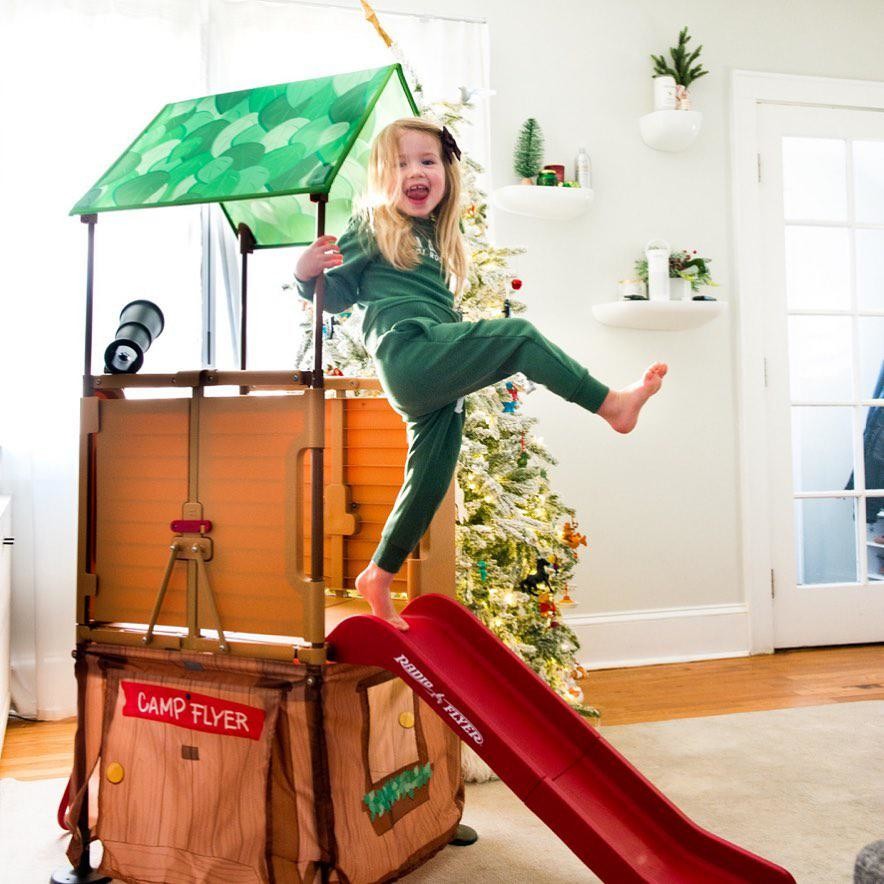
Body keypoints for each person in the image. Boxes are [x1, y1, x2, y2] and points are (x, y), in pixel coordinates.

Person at [294, 118, 667, 631]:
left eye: (427, 161)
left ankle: (378, 575)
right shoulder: (372, 223)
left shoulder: (437, 233)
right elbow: (334, 296)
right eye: (401, 164)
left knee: (428, 479)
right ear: (383, 175)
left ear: (446, 172)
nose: (415, 172)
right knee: (519, 337)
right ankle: (611, 405)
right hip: (408, 351)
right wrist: (305, 272)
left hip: (433, 366)